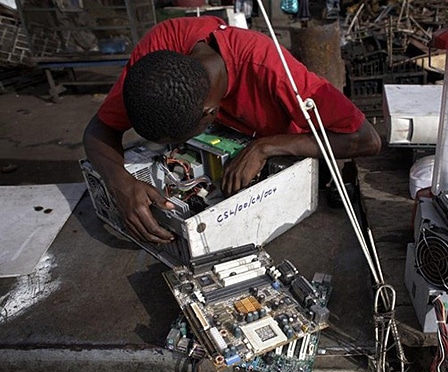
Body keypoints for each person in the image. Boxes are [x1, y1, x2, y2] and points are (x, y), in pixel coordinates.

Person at [82, 15, 381, 245]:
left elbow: (367, 140)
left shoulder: (271, 69)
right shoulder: (160, 52)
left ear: (210, 115)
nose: (173, 151)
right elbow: (99, 128)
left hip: (291, 162)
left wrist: (265, 147)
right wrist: (121, 182)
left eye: (180, 141)